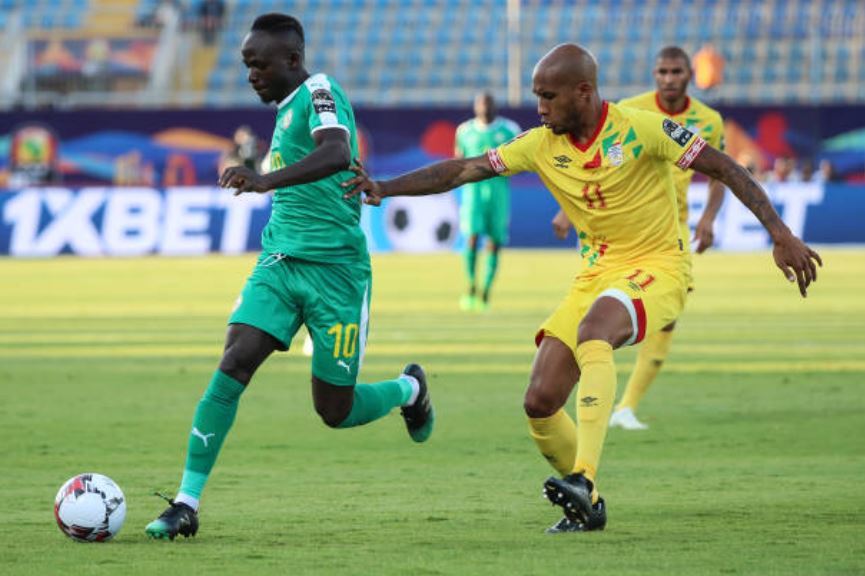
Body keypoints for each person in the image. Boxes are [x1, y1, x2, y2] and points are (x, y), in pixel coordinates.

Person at [343, 43, 820, 533]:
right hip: (595, 275)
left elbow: (725, 167)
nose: (540, 108)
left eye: (548, 97)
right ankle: (587, 505)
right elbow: (464, 168)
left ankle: (584, 480)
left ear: (583, 92)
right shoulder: (539, 143)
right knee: (539, 402)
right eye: (537, 97)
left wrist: (780, 234)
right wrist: (386, 186)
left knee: (596, 330)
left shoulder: (642, 128)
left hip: (658, 266)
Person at [145, 13, 434, 541]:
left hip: (338, 275)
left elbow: (337, 151)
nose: (251, 73)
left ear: (293, 61)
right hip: (279, 262)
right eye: (245, 65)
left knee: (334, 410)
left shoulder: (321, 91)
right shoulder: (282, 112)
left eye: (260, 64)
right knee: (233, 362)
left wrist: (264, 180)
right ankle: (185, 503)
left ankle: (408, 390)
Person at [609, 46, 727, 431]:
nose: (668, 78)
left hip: (672, 233)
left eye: (676, 71)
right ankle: (590, 390)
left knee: (668, 318)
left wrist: (708, 218)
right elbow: (604, 156)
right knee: (605, 313)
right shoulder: (630, 109)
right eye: (662, 71)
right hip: (627, 225)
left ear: (690, 74)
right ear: (654, 74)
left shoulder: (708, 121)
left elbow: (720, 174)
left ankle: (624, 408)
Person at [454, 92, 521, 311]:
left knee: (494, 241)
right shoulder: (464, 131)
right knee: (472, 238)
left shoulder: (510, 129)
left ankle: (486, 290)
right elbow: (457, 162)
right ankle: (472, 285)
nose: (485, 107)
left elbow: (521, 161)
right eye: (481, 103)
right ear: (475, 106)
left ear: (495, 106)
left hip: (498, 193)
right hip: (473, 194)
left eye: (489, 103)